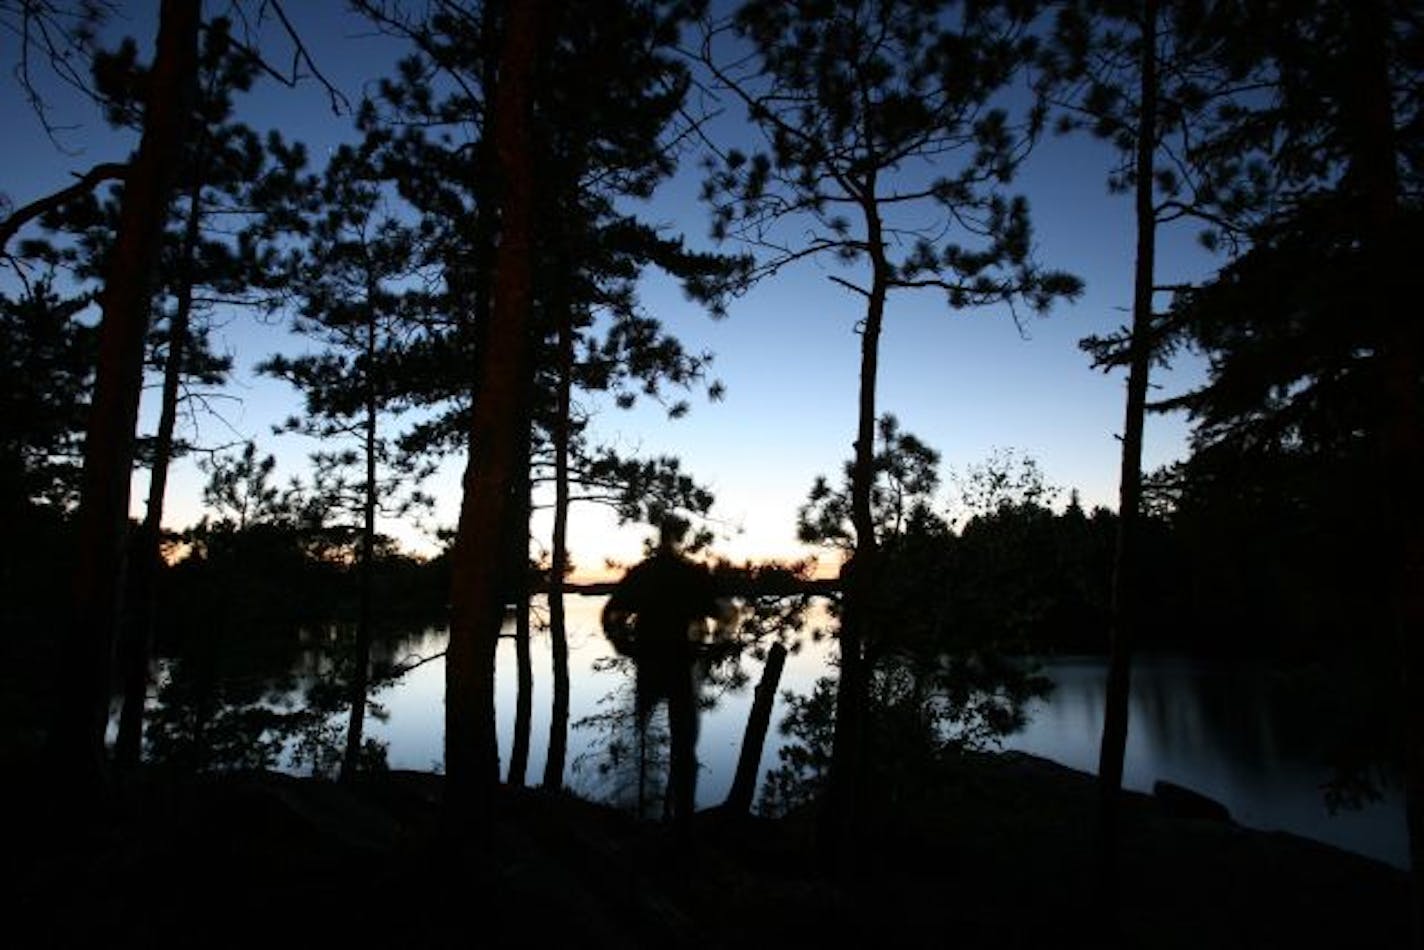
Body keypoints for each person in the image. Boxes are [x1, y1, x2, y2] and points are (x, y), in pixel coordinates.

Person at [601, 520, 726, 836]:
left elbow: (612, 613)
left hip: (656, 664)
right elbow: (723, 615)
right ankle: (675, 820)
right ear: (679, 540)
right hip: (676, 666)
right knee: (680, 745)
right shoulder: (685, 574)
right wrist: (711, 647)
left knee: (652, 741)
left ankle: (651, 817)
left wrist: (623, 643)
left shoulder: (646, 573)